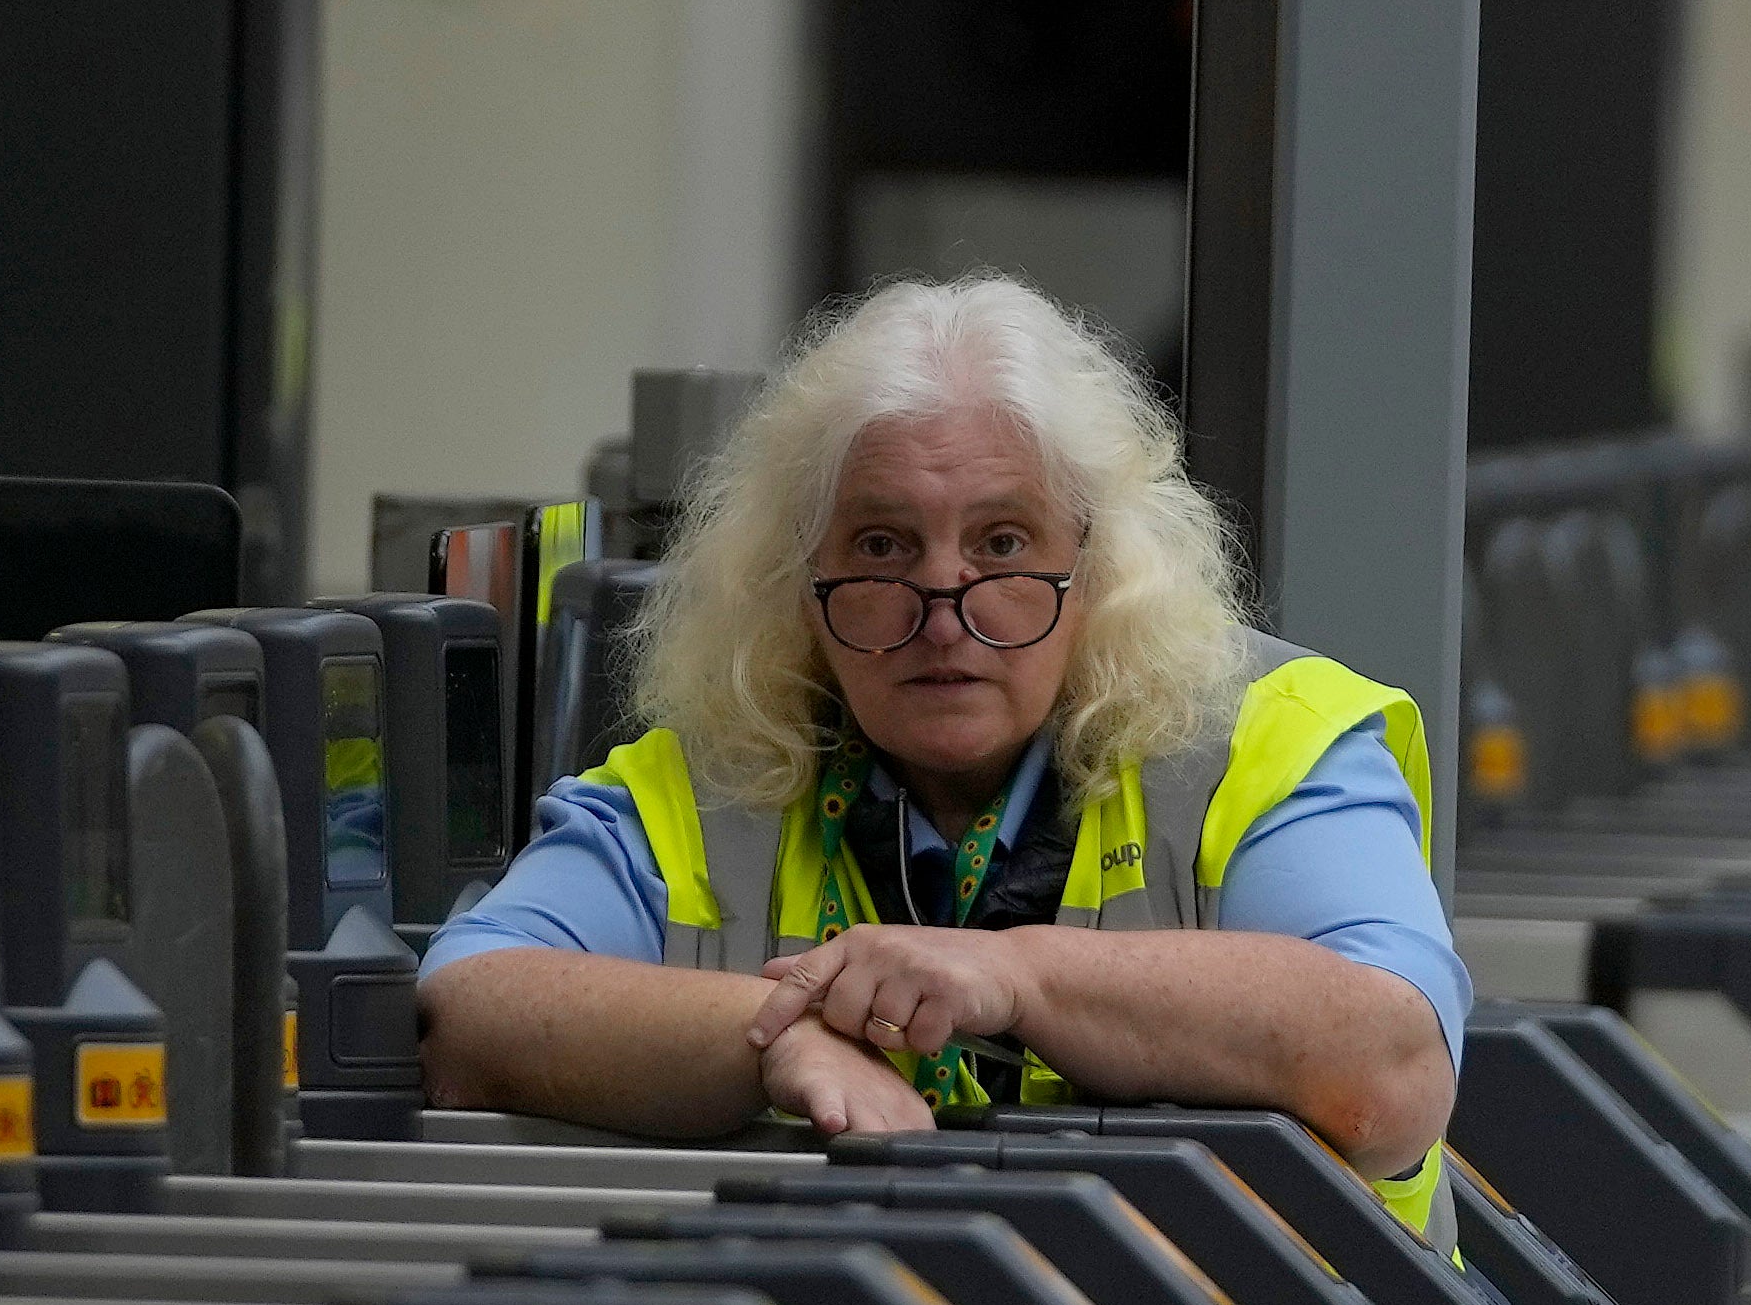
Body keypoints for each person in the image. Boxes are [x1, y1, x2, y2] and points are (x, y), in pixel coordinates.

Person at [416, 276, 1469, 1236]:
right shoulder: (709, 777)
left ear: (1098, 568)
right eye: (881, 547)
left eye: (1003, 544)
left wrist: (1016, 974)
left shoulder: (1266, 741)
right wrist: (774, 1038)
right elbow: (464, 1007)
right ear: (796, 583)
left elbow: (1391, 1069)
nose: (942, 612)